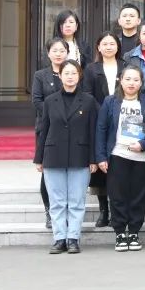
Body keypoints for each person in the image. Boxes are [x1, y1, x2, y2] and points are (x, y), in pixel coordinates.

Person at [34, 59, 98, 254]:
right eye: (66, 73)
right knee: (57, 201)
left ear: (80, 76)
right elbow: (44, 130)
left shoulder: (89, 100)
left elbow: (93, 132)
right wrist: (39, 158)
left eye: (74, 73)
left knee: (77, 201)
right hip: (53, 155)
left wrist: (93, 159)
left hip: (80, 156)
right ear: (60, 76)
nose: (70, 77)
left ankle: (73, 239)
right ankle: (59, 238)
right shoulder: (50, 100)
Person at [96, 65, 145, 252]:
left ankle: (134, 231)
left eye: (136, 80)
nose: (132, 83)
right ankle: (120, 232)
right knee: (117, 196)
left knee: (138, 196)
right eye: (128, 79)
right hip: (117, 154)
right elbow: (101, 128)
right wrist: (101, 157)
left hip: (140, 157)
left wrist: (144, 143)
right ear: (120, 81)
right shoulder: (110, 101)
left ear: (141, 82)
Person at [83, 32, 122, 228]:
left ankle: (116, 209)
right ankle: (103, 210)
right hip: (99, 120)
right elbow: (88, 94)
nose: (108, 47)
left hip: (123, 120)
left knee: (118, 164)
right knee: (101, 166)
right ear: (98, 47)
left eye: (112, 43)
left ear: (117, 46)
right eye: (104, 44)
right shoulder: (91, 69)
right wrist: (105, 111)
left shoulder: (125, 66)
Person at [32, 38, 70, 231]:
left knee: (69, 169)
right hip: (47, 128)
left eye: (62, 50)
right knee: (48, 170)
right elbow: (37, 100)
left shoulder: (72, 72)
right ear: (48, 53)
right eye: (54, 50)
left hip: (71, 128)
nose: (58, 53)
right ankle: (50, 211)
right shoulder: (40, 75)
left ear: (67, 52)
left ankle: (67, 211)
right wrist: (55, 114)